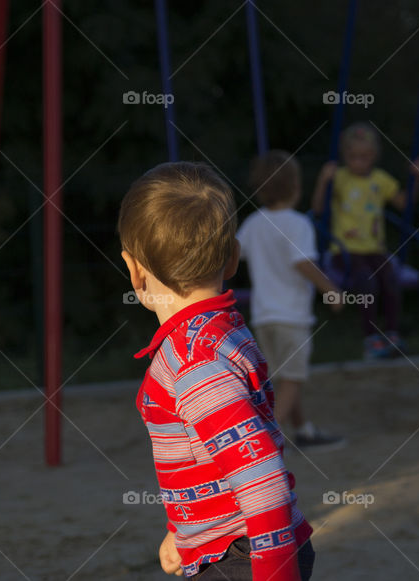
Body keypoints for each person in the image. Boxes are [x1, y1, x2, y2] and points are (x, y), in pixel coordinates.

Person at [119, 161, 315, 581]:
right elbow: (208, 453)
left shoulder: (195, 364)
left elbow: (264, 484)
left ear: (134, 270)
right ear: (232, 260)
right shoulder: (216, 333)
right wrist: (185, 532)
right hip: (236, 546)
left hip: (247, 557)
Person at [237, 150, 346, 452]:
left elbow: (236, 254)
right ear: (296, 186)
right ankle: (260, 444)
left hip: (263, 318)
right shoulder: (298, 224)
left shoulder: (253, 223)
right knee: (293, 380)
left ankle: (304, 430)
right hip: (291, 317)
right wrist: (331, 290)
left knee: (281, 378)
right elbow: (303, 263)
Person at [312, 122, 419, 359]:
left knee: (390, 278)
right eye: (353, 157)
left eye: (365, 156)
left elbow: (405, 204)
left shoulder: (380, 180)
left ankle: (392, 333)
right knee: (367, 282)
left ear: (373, 156)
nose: (359, 161)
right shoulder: (339, 178)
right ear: (345, 156)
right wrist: (323, 180)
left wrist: (417, 179)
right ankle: (370, 339)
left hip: (374, 249)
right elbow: (318, 209)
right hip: (344, 251)